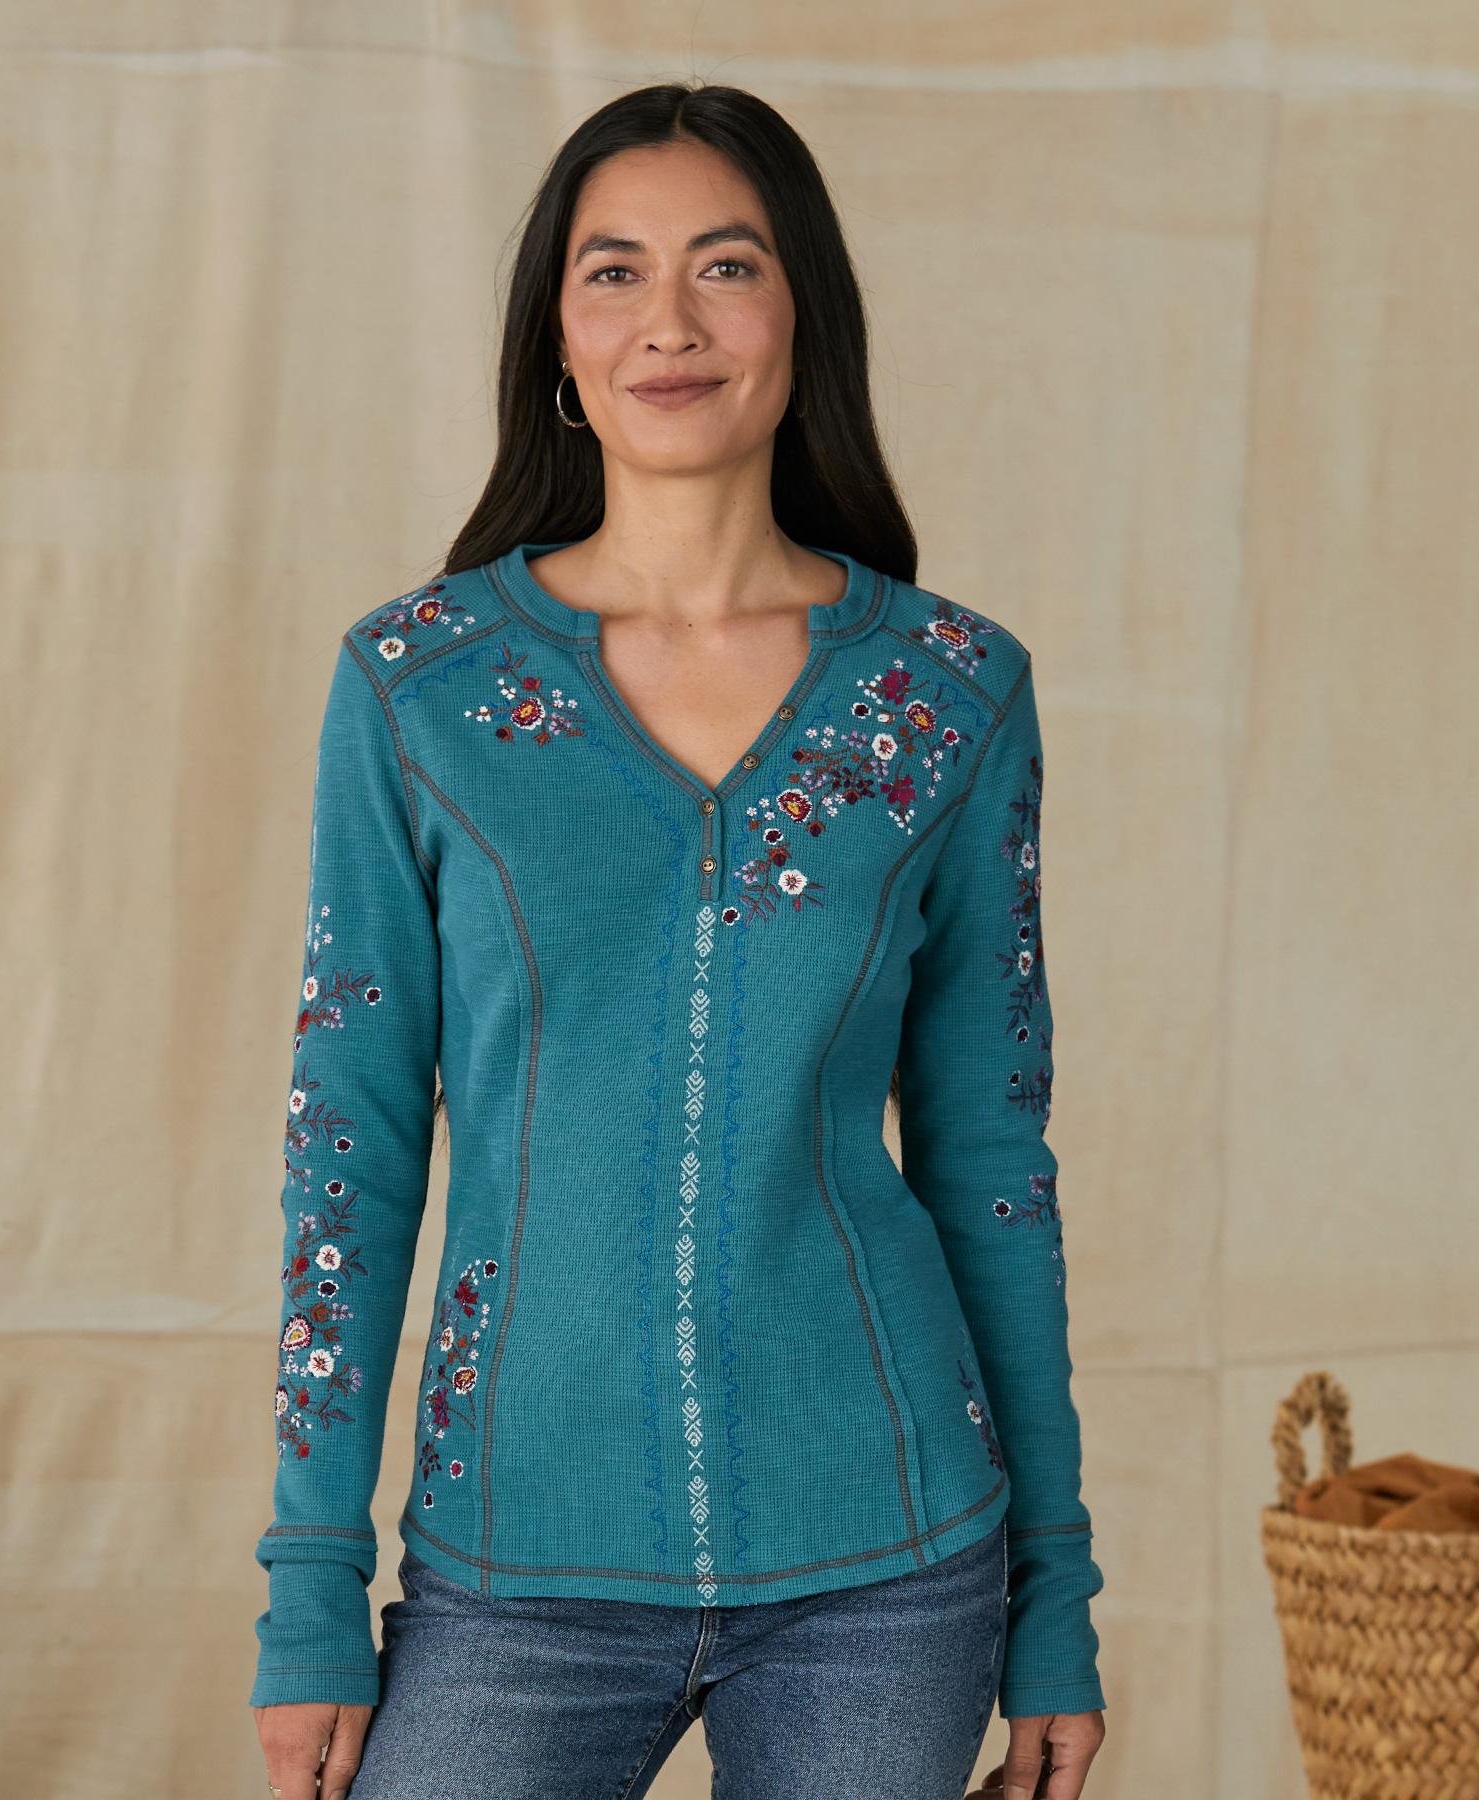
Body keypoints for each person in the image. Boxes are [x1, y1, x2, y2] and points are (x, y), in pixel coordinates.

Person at [250, 79, 1108, 1800]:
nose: (671, 321)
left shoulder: (948, 693)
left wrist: (1057, 1601)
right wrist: (312, 1588)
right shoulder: (421, 689)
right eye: (614, 272)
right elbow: (350, 1146)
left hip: (891, 1558)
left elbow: (991, 1160)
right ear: (557, 343)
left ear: (802, 319)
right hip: (515, 1559)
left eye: (726, 266)